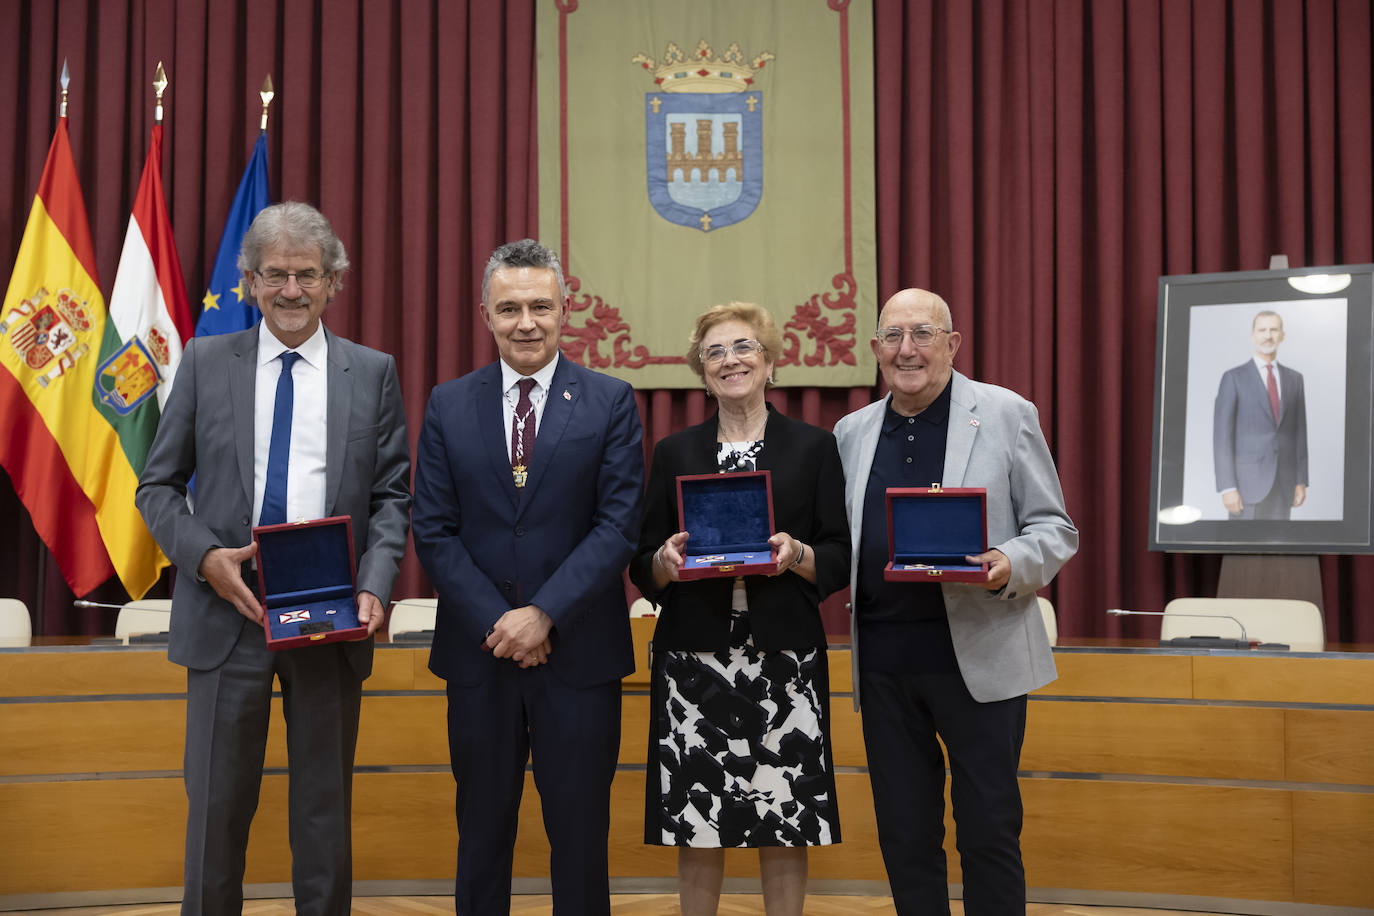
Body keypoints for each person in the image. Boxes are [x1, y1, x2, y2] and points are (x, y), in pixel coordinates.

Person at [136, 201, 411, 915]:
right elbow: (157, 486)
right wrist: (203, 560)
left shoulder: (372, 372)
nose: (291, 290)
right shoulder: (202, 362)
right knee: (217, 815)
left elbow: (392, 498)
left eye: (307, 276)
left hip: (329, 615)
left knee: (323, 814)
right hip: (225, 614)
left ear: (333, 282)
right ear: (250, 280)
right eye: (275, 275)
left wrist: (375, 588)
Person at [411, 239, 644, 915]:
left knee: (579, 840)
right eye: (509, 307)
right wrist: (503, 621)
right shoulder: (449, 405)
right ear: (486, 314)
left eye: (540, 305)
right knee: (481, 837)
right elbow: (434, 529)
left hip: (579, 658)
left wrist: (542, 613)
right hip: (480, 658)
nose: (526, 322)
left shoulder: (609, 402)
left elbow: (618, 526)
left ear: (565, 309)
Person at [832, 288, 1077, 916]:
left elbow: (1054, 529)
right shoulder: (852, 432)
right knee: (906, 833)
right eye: (892, 336)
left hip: (980, 657)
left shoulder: (1005, 414)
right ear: (875, 348)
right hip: (884, 665)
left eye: (922, 333)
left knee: (989, 828)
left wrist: (1006, 564)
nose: (906, 349)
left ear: (952, 344)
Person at [628, 303, 850, 916]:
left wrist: (797, 553)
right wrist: (663, 566)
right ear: (702, 372)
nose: (730, 360)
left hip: (785, 659)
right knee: (697, 818)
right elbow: (640, 559)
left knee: (786, 817)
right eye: (715, 352)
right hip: (694, 660)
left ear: (771, 363)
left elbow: (838, 556)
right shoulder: (675, 451)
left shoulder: (813, 448)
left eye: (744, 347)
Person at [1213, 310, 1309, 519]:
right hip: (1246, 487)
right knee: (1244, 550)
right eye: (1262, 330)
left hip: (1284, 483)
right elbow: (1222, 437)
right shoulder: (1233, 378)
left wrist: (1300, 480)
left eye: (1274, 330)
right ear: (1252, 336)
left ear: (1282, 336)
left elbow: (1299, 433)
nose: (1268, 335)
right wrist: (1227, 486)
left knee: (1281, 550)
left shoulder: (1295, 379)